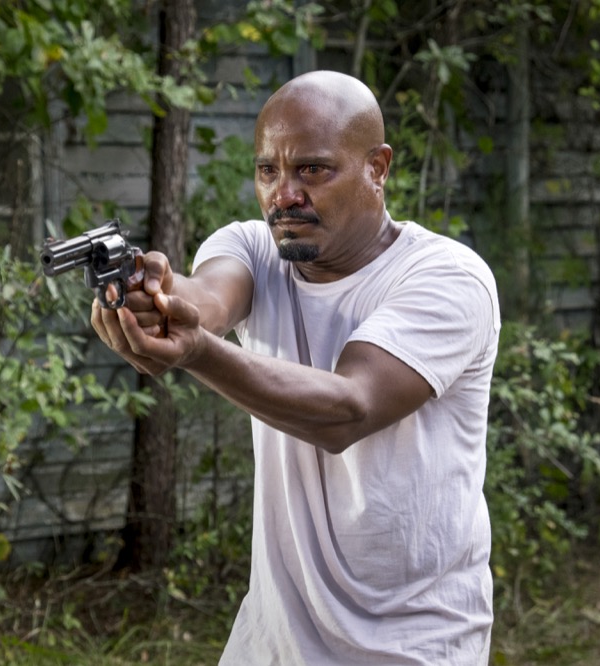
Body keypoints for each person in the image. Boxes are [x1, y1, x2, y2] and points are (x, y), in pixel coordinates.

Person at [91, 70, 500, 665]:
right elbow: (206, 302)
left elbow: (347, 408)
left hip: (411, 642)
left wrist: (198, 351)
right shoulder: (256, 248)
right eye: (268, 171)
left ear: (377, 168)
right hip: (274, 639)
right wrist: (151, 299)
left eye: (312, 170)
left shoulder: (447, 277)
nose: (284, 194)